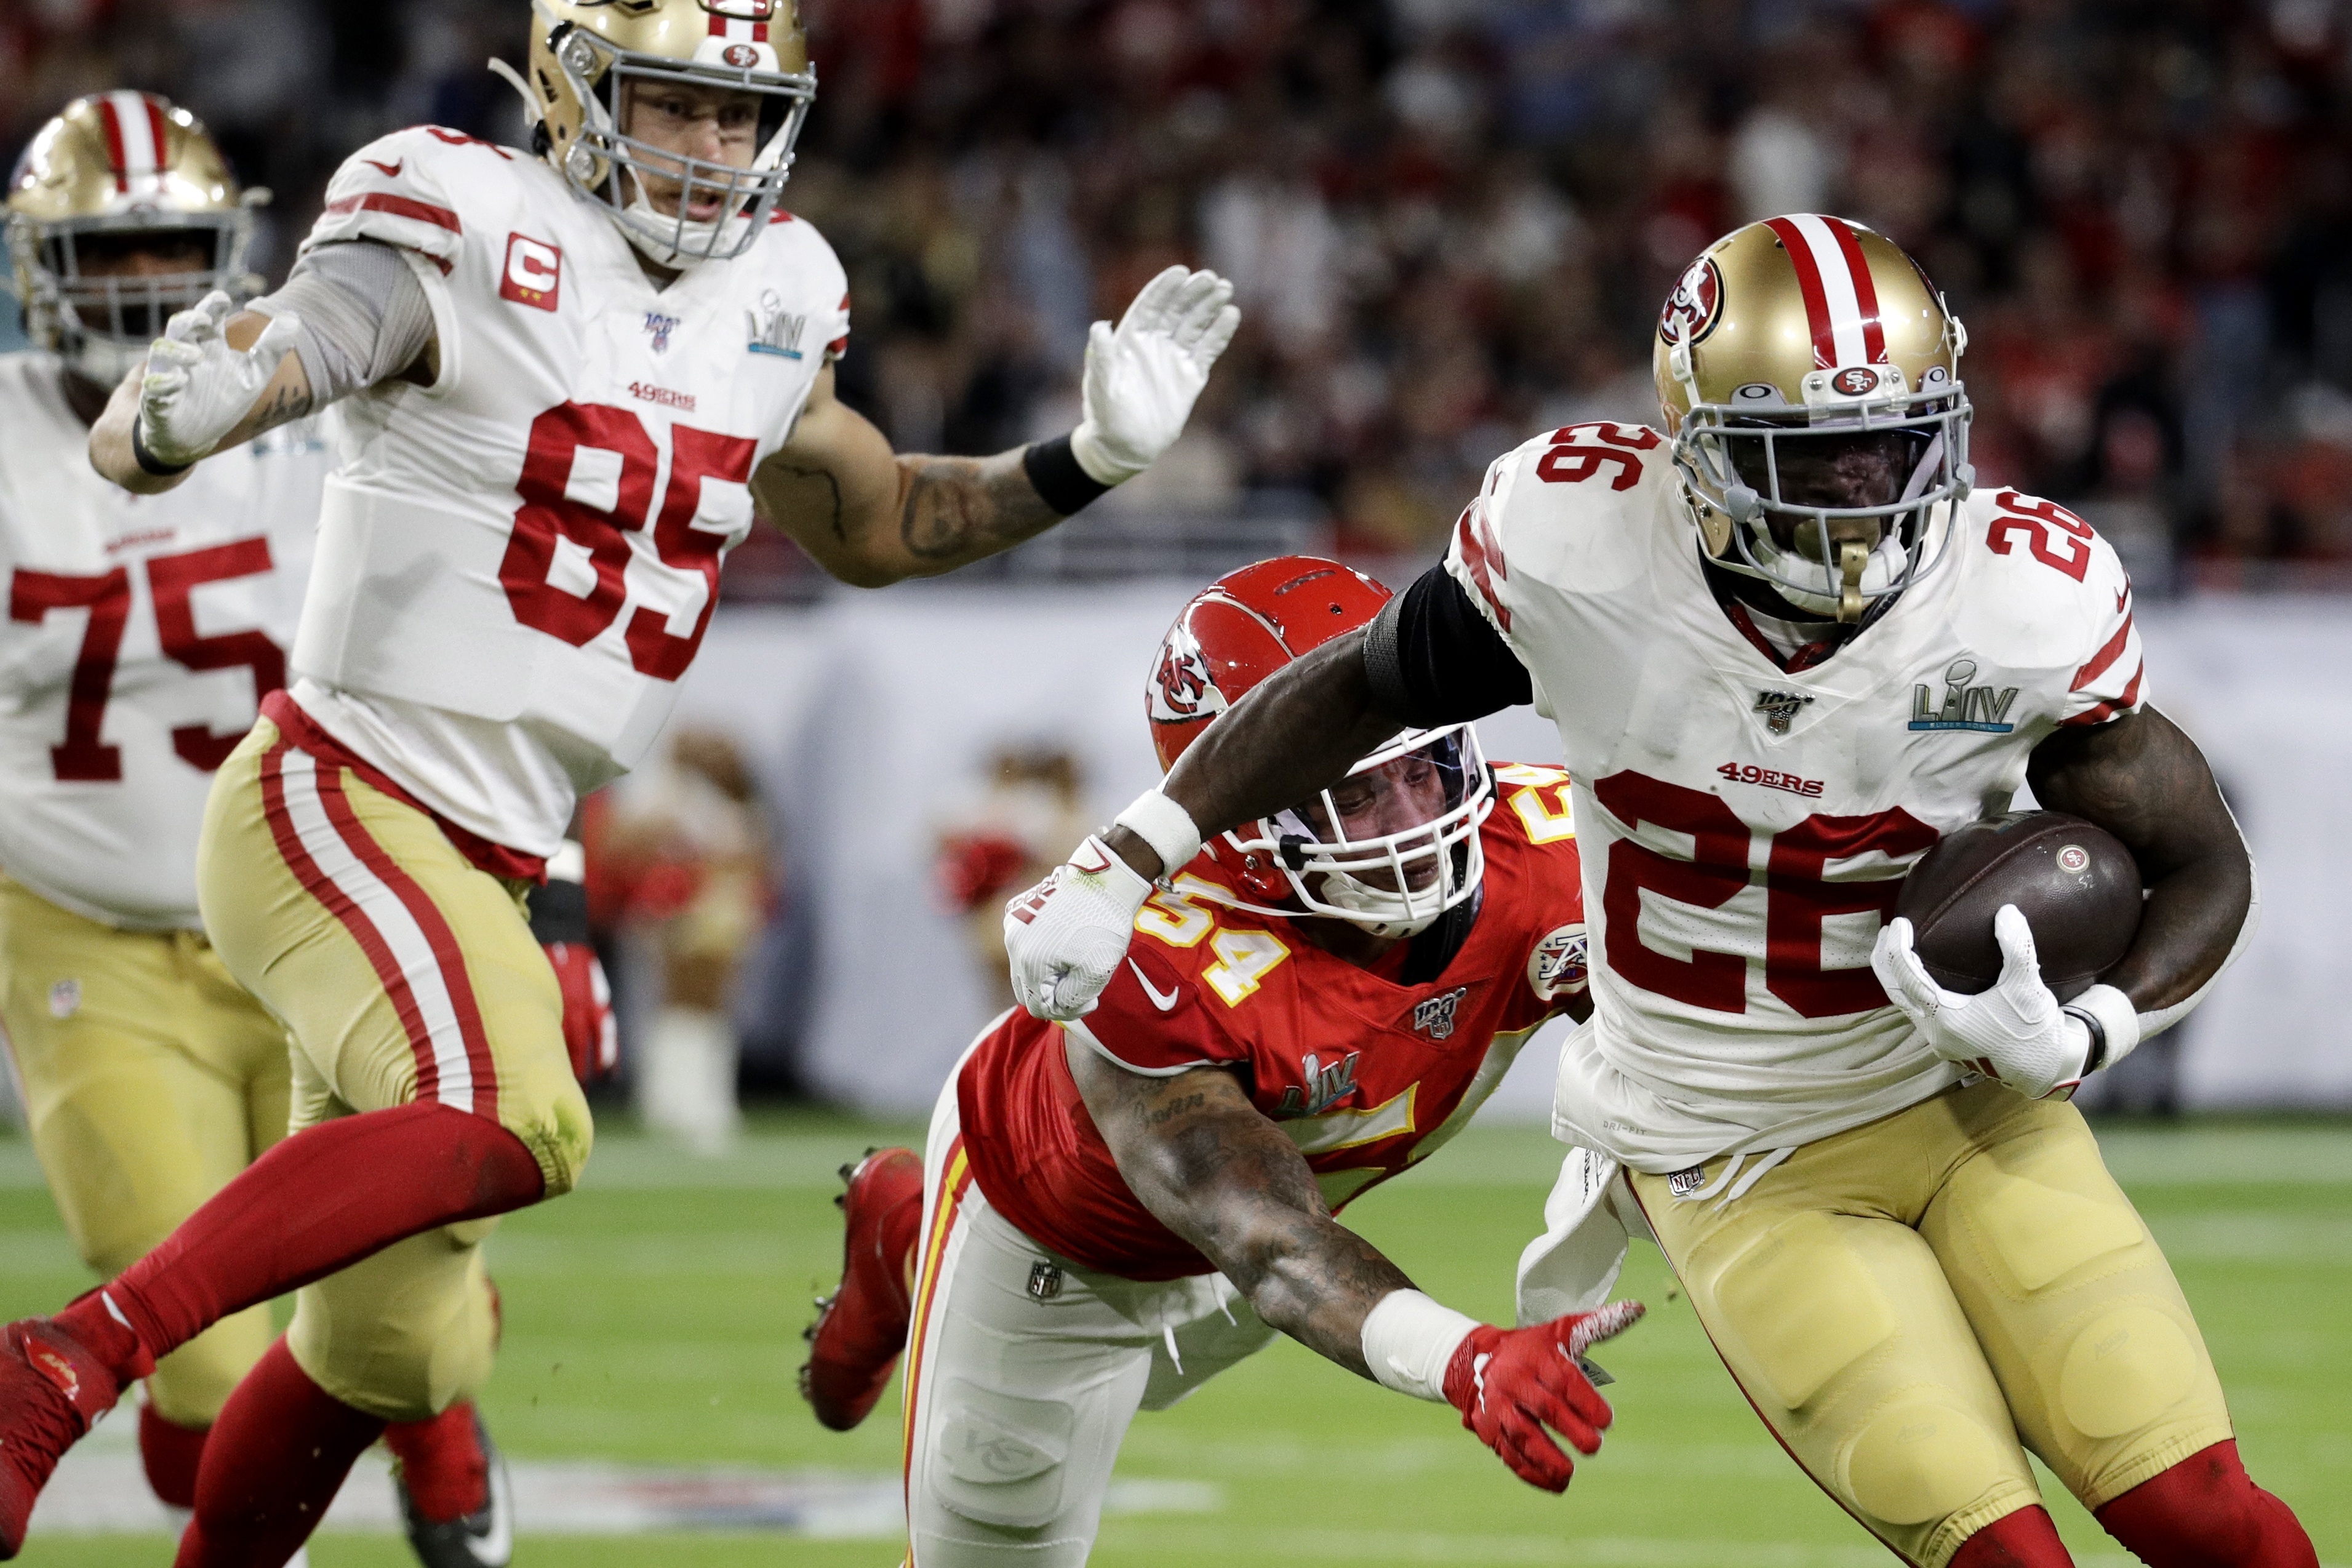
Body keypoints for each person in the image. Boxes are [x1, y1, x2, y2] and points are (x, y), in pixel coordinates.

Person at [0, 1, 1238, 1558]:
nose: (715, 148)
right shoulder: (464, 218)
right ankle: (67, 1357)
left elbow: (872, 520)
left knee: (382, 1353)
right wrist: (170, 422)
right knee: (523, 1111)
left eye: (742, 115)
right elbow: (299, 342)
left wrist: (1087, 463)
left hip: (498, 845)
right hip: (345, 794)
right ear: (580, 95)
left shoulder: (783, 293)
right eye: (675, 105)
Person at [1004, 216, 2317, 1568]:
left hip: (1968, 1109)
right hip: (1732, 1153)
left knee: (2202, 1512)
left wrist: (2092, 1028)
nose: (1865, 492)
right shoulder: (1581, 547)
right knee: (2006, 1556)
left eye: (1897, 442)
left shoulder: (2020, 601)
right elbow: (1356, 685)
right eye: (1813, 457)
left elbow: (2202, 855)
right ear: (1696, 452)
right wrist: (1133, 851)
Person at [803, 556, 1639, 1567]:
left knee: (1140, 1383)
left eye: (1428, 767)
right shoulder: (1157, 952)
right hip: (1057, 1234)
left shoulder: (1548, 846)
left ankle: (901, 1239)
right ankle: (921, 1236)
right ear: (1247, 797)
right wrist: (1460, 1359)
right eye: (1360, 791)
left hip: (1275, 1232)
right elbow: (1269, 1242)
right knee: (1002, 1530)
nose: (1417, 821)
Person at [0, 91, 525, 1567]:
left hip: (315, 905)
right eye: (106, 256)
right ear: (38, 267)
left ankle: (438, 1414)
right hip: (89, 940)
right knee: (218, 1372)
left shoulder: (312, 404)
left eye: (170, 249)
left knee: (410, 1319)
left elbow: (449, 666)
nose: (142, 289)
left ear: (227, 247)